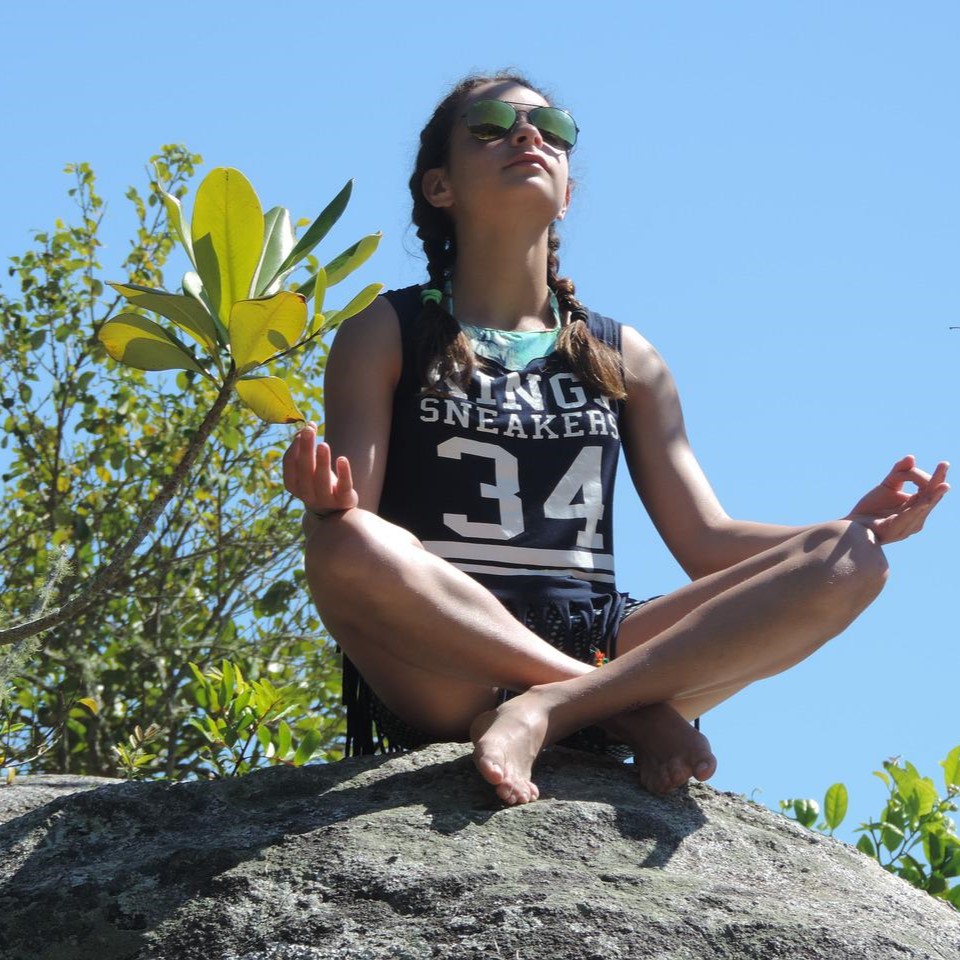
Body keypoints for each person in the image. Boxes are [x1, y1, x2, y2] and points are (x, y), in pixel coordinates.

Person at [282, 72, 950, 806]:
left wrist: (853, 526)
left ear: (567, 191)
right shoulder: (386, 331)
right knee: (342, 541)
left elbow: (705, 539)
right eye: (492, 125)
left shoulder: (624, 353)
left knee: (851, 558)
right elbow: (359, 526)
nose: (528, 135)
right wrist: (325, 503)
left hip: (604, 635)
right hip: (448, 657)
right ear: (439, 187)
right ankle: (626, 713)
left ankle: (556, 708)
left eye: (553, 129)